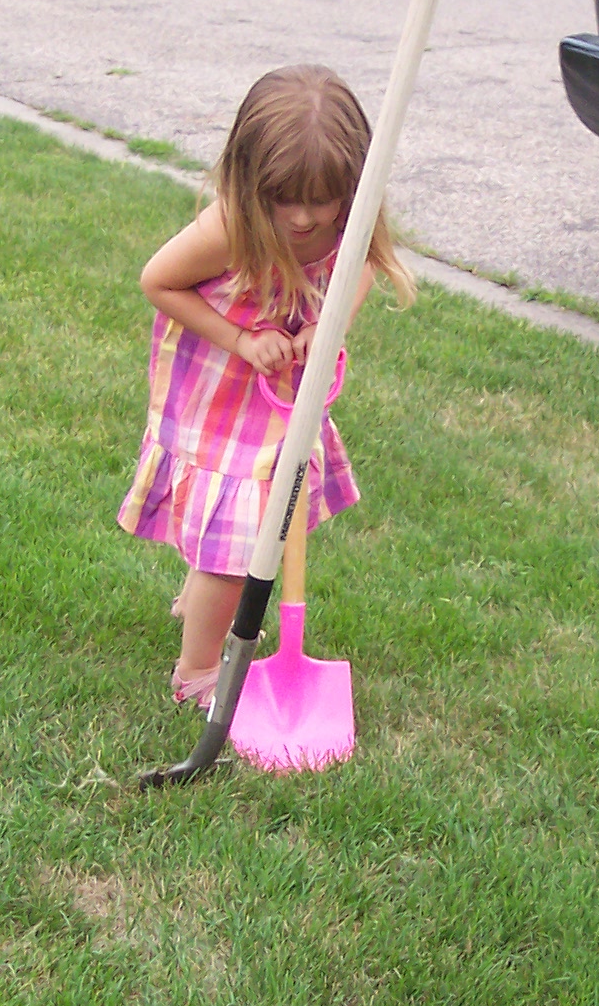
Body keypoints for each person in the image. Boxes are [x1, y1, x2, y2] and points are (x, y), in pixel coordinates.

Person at [119, 64, 412, 707]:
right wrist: (242, 339)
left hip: (280, 399)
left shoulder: (349, 220)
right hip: (218, 395)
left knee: (242, 531)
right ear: (251, 181)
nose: (305, 217)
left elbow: (363, 262)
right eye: (285, 199)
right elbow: (157, 282)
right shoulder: (229, 229)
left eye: (322, 199)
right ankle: (197, 671)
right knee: (240, 550)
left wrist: (327, 326)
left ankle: (200, 598)